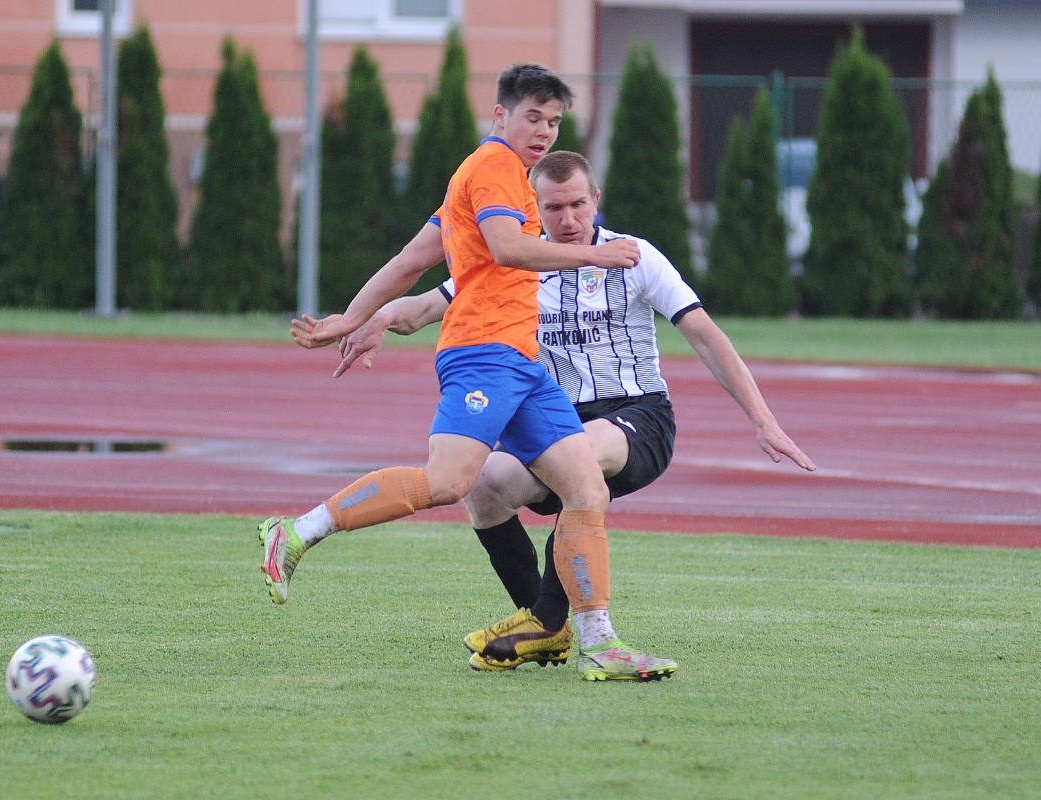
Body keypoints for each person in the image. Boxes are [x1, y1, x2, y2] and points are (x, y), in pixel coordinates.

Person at [315, 149, 817, 672]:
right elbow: (423, 306)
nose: (569, 218)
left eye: (578, 204)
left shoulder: (634, 256)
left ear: (596, 200)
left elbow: (706, 336)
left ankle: (551, 621)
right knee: (482, 485)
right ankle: (544, 625)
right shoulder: (514, 264)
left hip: (638, 417)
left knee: (579, 463)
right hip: (556, 421)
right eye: (553, 207)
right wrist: (371, 318)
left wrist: (764, 420)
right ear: (531, 208)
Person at [262, 63, 674, 683]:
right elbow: (509, 249)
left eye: (554, 121)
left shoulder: (485, 176)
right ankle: (297, 532)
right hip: (484, 353)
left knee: (586, 490)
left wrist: (352, 317)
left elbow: (412, 261)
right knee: (450, 481)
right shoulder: (494, 167)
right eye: (532, 117)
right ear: (500, 115)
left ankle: (600, 642)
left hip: (523, 362)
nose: (544, 131)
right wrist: (595, 253)